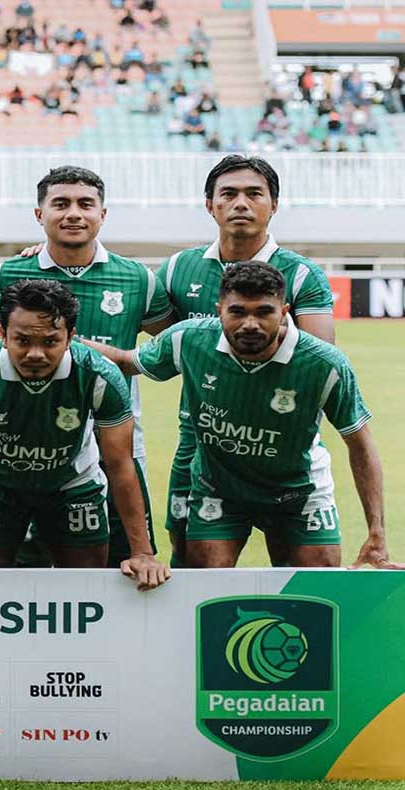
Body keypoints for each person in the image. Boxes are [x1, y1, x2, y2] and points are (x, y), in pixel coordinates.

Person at [83, 262, 395, 570]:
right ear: (219, 310)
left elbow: (360, 444)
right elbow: (125, 361)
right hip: (219, 488)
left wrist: (376, 533)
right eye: (238, 312)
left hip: (299, 491)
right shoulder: (188, 339)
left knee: (316, 583)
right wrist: (62, 342)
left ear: (284, 312)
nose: (250, 324)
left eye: (263, 312)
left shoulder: (324, 364)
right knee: (207, 579)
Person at [0, 279, 169, 591]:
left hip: (73, 484)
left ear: (70, 338)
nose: (35, 354)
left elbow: (120, 465)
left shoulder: (100, 374)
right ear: (2, 334)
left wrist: (142, 553)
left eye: (50, 342)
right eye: (22, 341)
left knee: (85, 591)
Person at [155, 155, 335, 566]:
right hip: (201, 446)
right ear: (210, 205)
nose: (241, 203)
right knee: (190, 565)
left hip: (282, 449)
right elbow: (163, 343)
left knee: (303, 574)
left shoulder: (301, 274)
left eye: (254, 194)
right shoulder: (178, 269)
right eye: (229, 194)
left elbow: (322, 361)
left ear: (273, 204)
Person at [0, 166, 172, 567]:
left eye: (85, 204)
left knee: (124, 563)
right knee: (24, 569)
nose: (73, 213)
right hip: (27, 446)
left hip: (118, 444)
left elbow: (165, 349)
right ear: (39, 215)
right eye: (60, 204)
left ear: (103, 214)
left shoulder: (137, 279)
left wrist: (99, 357)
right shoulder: (6, 275)